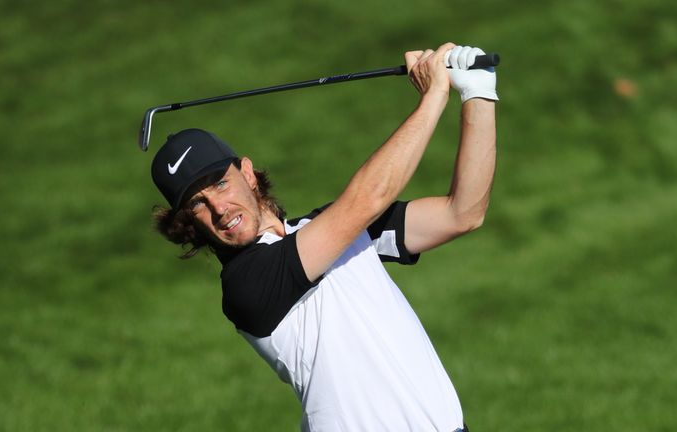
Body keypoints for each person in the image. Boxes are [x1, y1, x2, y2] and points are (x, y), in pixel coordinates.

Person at [150, 43, 497, 432]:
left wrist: (478, 92)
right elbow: (367, 199)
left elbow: (463, 213)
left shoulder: (338, 230)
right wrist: (434, 94)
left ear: (247, 173)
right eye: (197, 203)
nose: (219, 208)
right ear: (186, 222)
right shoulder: (246, 285)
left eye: (220, 184)